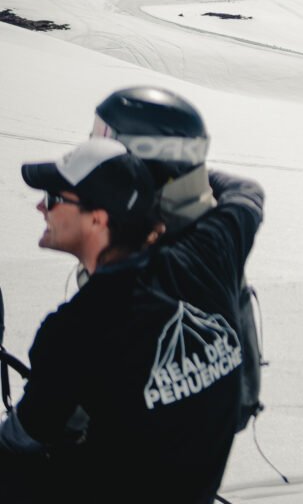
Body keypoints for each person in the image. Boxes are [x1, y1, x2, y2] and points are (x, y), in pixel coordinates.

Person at [0, 137, 259, 504]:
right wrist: (158, 178)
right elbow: (247, 194)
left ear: (97, 219)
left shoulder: (77, 329)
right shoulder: (207, 253)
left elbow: (23, 436)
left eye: (55, 198)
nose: (42, 206)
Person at [91, 86, 266, 430]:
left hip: (150, 438)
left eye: (105, 140)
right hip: (217, 416)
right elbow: (248, 192)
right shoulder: (218, 227)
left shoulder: (158, 256)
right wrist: (191, 173)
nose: (94, 154)